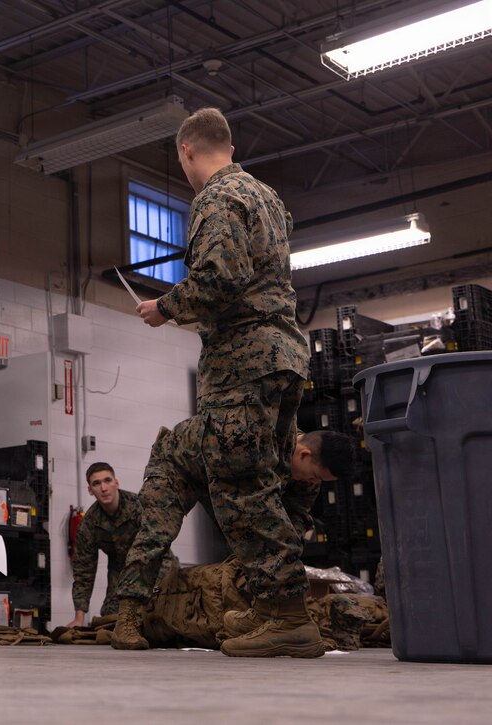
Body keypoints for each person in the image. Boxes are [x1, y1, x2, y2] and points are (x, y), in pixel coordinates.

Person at [124, 106, 316, 657]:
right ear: (228, 146)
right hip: (283, 357)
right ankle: (268, 605)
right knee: (267, 483)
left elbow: (219, 278)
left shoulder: (215, 198)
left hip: (243, 363)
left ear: (187, 151)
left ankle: (285, 615)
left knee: (241, 490)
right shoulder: (267, 198)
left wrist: (165, 306)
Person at [111, 427, 356, 651]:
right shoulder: (259, 440)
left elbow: (294, 520)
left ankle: (269, 618)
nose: (314, 483)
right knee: (157, 533)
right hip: (179, 464)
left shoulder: (307, 479)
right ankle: (127, 619)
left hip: (224, 477)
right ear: (304, 454)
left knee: (258, 540)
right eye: (315, 476)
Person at [66, 463, 153, 629]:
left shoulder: (138, 507)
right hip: (120, 570)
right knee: (110, 618)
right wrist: (79, 618)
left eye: (107, 481)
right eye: (96, 483)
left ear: (116, 483)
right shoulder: (88, 525)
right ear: (90, 490)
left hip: (154, 563)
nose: (103, 488)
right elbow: (84, 571)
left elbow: (157, 544)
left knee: (157, 611)